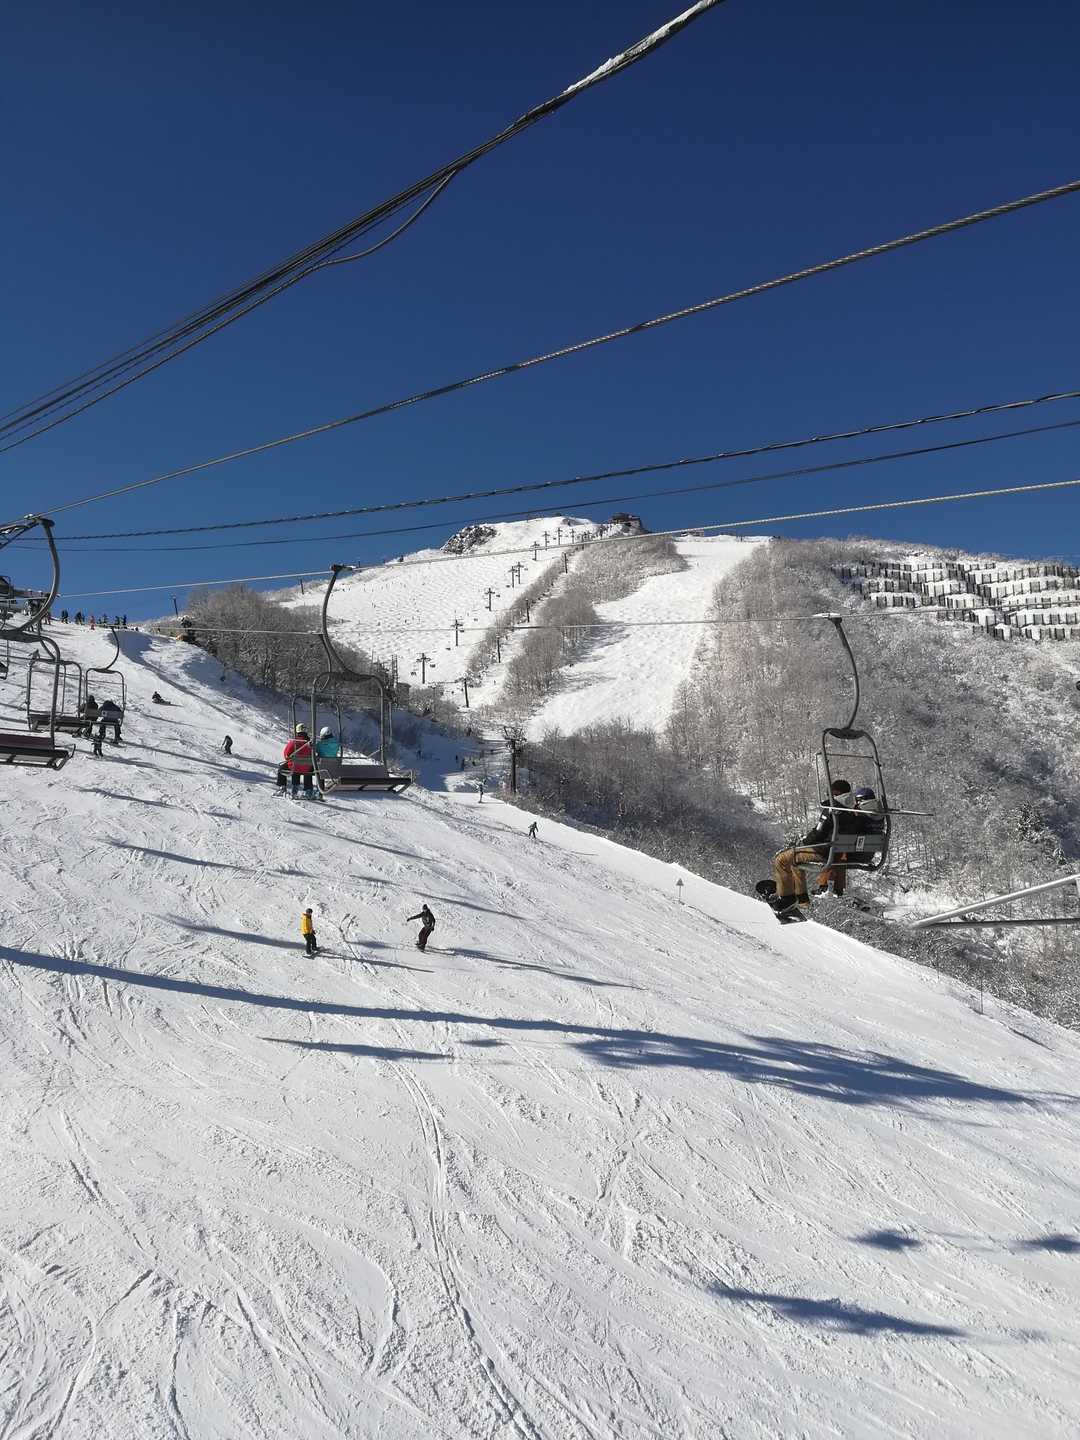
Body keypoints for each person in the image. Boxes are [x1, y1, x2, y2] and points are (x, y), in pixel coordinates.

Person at [771, 778, 853, 913]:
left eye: (830, 793)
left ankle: (786, 899)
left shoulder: (832, 810)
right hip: (839, 852)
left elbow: (818, 832)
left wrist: (804, 843)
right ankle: (802, 899)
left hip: (824, 852)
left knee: (781, 859)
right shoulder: (854, 811)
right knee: (795, 862)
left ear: (836, 793)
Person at [283, 724, 315, 798]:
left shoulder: (294, 742)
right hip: (307, 767)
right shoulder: (310, 743)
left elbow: (286, 754)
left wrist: (288, 759)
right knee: (308, 770)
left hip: (295, 767)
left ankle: (292, 790)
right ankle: (308, 791)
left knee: (286, 768)